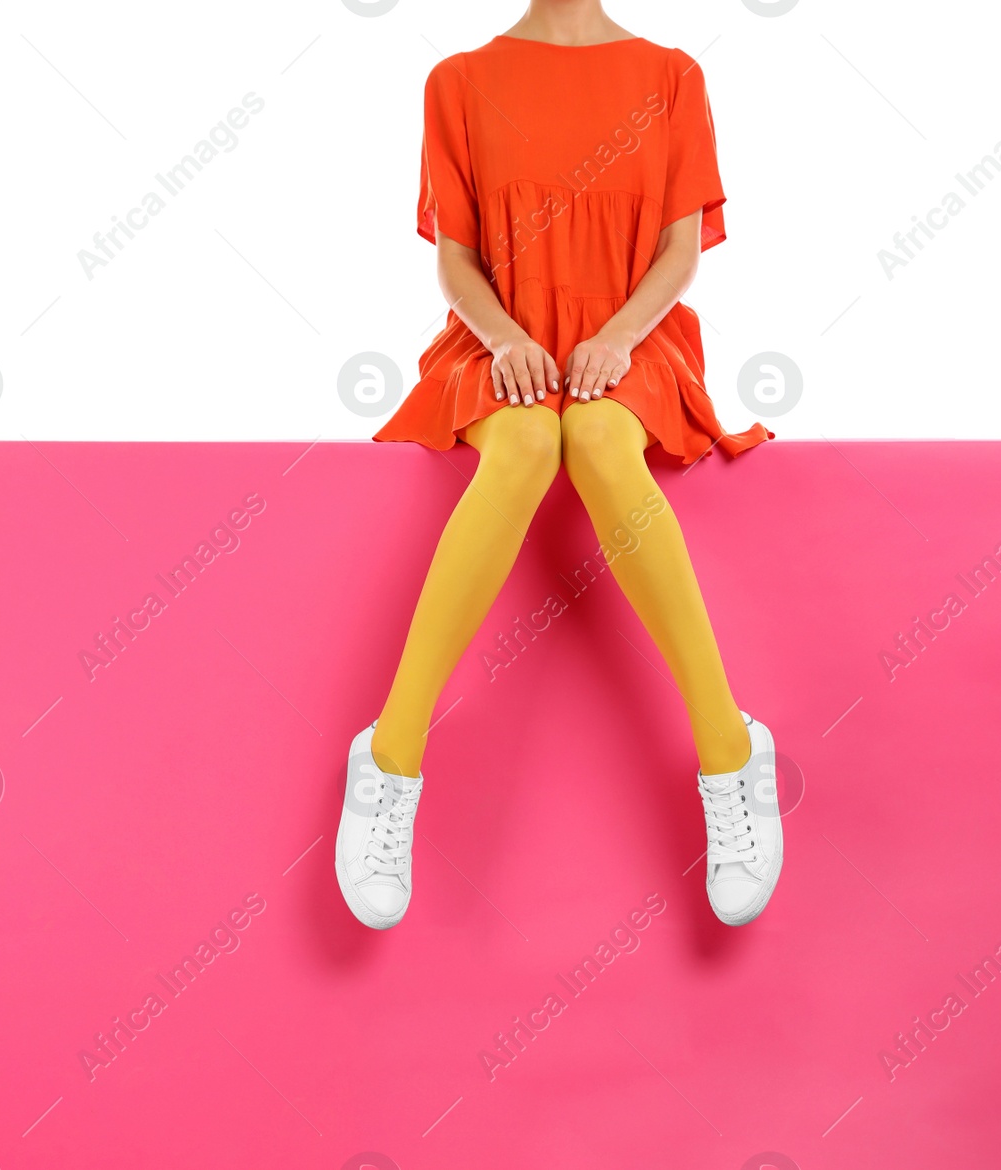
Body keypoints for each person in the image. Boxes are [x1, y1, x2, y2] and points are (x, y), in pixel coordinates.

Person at [335, 0, 783, 930]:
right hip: (496, 345)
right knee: (535, 438)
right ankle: (391, 757)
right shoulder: (457, 81)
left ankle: (730, 750)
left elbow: (679, 253)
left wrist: (617, 340)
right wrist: (503, 340)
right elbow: (455, 265)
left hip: (637, 343)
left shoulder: (672, 75)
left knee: (599, 439)